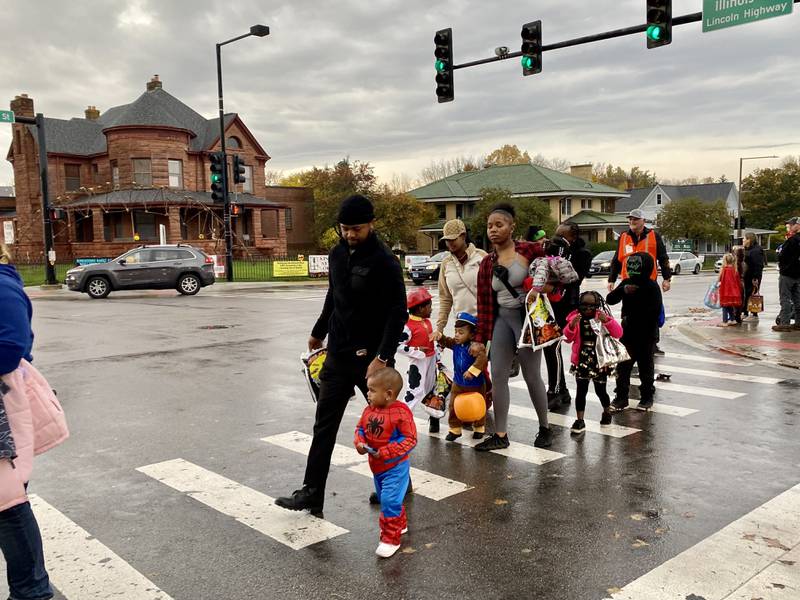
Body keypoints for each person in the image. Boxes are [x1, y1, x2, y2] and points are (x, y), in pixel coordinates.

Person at [276, 195, 407, 514]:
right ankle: (312, 492)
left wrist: (383, 357)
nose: (349, 235)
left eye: (356, 229)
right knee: (324, 424)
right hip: (338, 353)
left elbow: (397, 311)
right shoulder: (336, 254)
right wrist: (319, 330)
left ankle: (398, 482)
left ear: (371, 224)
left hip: (370, 360)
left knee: (387, 423)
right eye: (345, 229)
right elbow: (332, 294)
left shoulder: (384, 260)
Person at [1, 242, 69, 600]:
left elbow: (12, 346)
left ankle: (31, 592)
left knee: (7, 502)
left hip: (3, 406)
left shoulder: (1, 285)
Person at [471, 203, 553, 450]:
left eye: (499, 225)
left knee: (531, 376)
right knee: (498, 377)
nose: (493, 230)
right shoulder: (487, 263)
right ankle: (501, 434)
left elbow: (555, 281)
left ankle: (545, 427)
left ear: (511, 226)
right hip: (501, 321)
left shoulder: (531, 251)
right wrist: (479, 338)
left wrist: (544, 289)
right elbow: (484, 304)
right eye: (489, 226)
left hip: (527, 320)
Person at [354, 367, 417, 558]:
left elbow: (410, 439)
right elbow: (361, 428)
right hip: (377, 466)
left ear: (388, 394)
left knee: (389, 500)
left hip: (395, 467)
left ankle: (390, 539)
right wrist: (359, 442)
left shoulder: (401, 413)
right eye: (368, 389)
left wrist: (387, 451)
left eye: (372, 390)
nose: (368, 393)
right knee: (385, 498)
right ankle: (400, 523)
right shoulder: (369, 410)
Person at [608, 209, 672, 355]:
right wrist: (611, 279)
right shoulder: (624, 236)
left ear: (643, 221)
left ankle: (652, 342)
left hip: (649, 282)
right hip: (628, 280)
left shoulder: (653, 236)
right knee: (628, 311)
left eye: (635, 219)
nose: (632, 222)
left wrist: (667, 278)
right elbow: (617, 259)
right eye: (630, 219)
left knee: (651, 312)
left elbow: (663, 257)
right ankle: (628, 340)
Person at [543, 223, 592, 410]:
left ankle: (556, 390)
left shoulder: (582, 254)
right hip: (549, 304)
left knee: (555, 346)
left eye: (561, 236)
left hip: (567, 305)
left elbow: (572, 278)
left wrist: (561, 255)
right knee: (550, 347)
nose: (556, 240)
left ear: (571, 236)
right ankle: (560, 389)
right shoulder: (555, 250)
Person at [607, 252, 663, 411]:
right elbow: (610, 299)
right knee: (623, 367)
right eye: (630, 265)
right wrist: (623, 290)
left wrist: (634, 319)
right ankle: (621, 397)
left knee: (646, 367)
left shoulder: (651, 286)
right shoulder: (626, 282)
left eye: (635, 265)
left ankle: (646, 397)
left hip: (646, 334)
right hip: (628, 334)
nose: (632, 268)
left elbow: (655, 310)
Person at [562, 291, 622, 433]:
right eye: (584, 305)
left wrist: (607, 321)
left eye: (592, 305)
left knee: (600, 391)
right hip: (582, 360)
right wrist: (571, 326)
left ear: (597, 305)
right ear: (579, 305)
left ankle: (607, 412)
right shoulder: (575, 318)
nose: (588, 308)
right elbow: (566, 338)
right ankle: (579, 420)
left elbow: (618, 333)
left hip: (599, 361)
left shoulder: (601, 317)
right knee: (581, 391)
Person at [436, 312, 489, 441]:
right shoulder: (455, 343)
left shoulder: (474, 347)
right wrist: (440, 336)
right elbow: (447, 341)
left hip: (476, 383)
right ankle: (455, 429)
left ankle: (479, 427)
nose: (456, 335)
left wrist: (472, 371)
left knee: (479, 405)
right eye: (456, 332)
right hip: (458, 382)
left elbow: (482, 359)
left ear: (471, 335)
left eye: (461, 332)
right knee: (453, 405)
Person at [397, 288, 437, 413]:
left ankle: (434, 419)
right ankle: (403, 416)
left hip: (431, 359)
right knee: (415, 391)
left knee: (432, 389)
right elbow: (397, 345)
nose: (431, 309)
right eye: (429, 306)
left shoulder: (427, 322)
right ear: (420, 309)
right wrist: (416, 350)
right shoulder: (408, 326)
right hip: (418, 362)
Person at [773, 217, 800, 332]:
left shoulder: (792, 240)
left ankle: (785, 323)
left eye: (790, 225)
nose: (789, 227)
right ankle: (798, 322)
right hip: (798, 274)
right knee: (798, 299)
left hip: (787, 274)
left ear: (797, 225)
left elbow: (782, 256)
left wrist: (781, 262)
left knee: (785, 299)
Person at [742, 232, 765, 322]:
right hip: (747, 276)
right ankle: (745, 312)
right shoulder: (748, 249)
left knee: (753, 294)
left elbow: (758, 265)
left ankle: (754, 314)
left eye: (744, 238)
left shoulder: (756, 250)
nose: (743, 240)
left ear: (749, 239)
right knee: (747, 294)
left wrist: (755, 277)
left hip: (753, 276)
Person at [717, 253, 743, 327]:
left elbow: (720, 279)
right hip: (734, 292)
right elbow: (738, 282)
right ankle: (732, 319)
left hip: (725, 291)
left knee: (725, 306)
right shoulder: (735, 270)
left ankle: (724, 321)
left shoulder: (724, 270)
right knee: (730, 306)